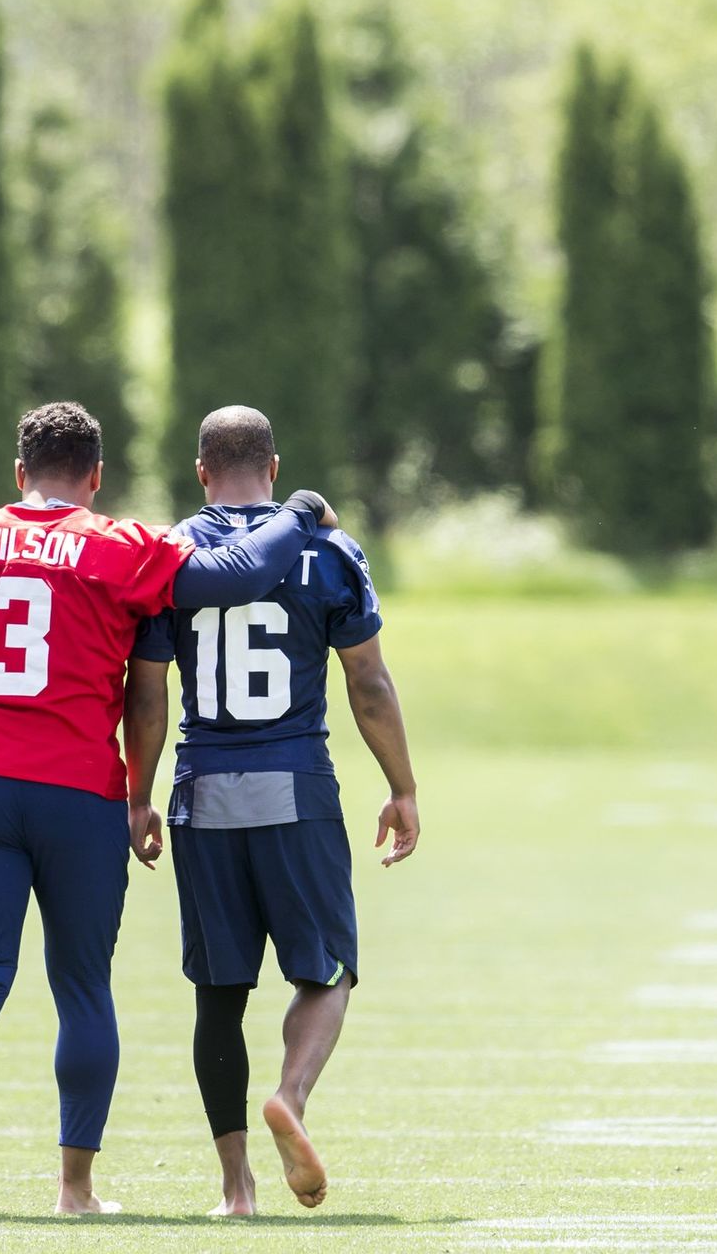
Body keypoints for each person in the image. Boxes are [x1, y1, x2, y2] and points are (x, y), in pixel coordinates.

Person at [0, 401, 337, 1220]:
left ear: (18, 475)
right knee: (83, 987)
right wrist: (300, 510)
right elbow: (234, 574)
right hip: (78, 793)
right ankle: (76, 1189)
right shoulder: (121, 545)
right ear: (96, 477)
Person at [130, 404, 420, 1215]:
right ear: (275, 466)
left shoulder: (172, 555)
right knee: (327, 968)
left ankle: (236, 1188)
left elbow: (147, 694)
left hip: (200, 790)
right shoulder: (328, 550)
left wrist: (138, 797)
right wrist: (401, 786)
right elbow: (367, 683)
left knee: (218, 994)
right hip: (296, 783)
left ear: (199, 472)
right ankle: (291, 1094)